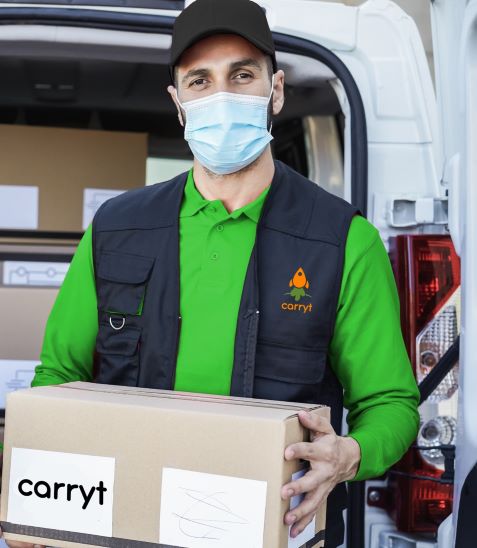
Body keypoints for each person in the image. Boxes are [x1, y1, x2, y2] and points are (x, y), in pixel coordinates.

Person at [0, 1, 420, 547]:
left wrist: (349, 454)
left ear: (276, 91)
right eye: (200, 81)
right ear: (178, 104)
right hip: (125, 524)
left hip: (273, 527)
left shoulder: (343, 240)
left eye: (242, 75)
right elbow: (59, 376)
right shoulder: (115, 228)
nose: (221, 96)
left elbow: (390, 403)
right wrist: (30, 499)